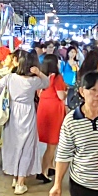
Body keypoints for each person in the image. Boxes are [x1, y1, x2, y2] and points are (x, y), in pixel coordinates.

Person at [0, 51, 48, 194]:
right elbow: (47, 83)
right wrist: (39, 72)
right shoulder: (34, 81)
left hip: (12, 113)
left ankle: (15, 177)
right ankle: (20, 183)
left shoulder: (10, 78)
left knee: (14, 145)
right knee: (26, 146)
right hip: (27, 113)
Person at [36, 54, 68, 183]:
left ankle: (49, 166)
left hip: (44, 109)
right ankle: (42, 171)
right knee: (52, 144)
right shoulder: (57, 78)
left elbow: (39, 94)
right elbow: (61, 96)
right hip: (54, 111)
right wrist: (67, 92)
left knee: (50, 142)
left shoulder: (41, 78)